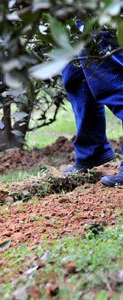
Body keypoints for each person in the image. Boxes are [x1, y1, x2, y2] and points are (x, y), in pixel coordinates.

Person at [61, 29, 123, 187]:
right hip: (68, 17)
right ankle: (91, 152)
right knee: (75, 78)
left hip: (94, 12)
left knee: (113, 82)